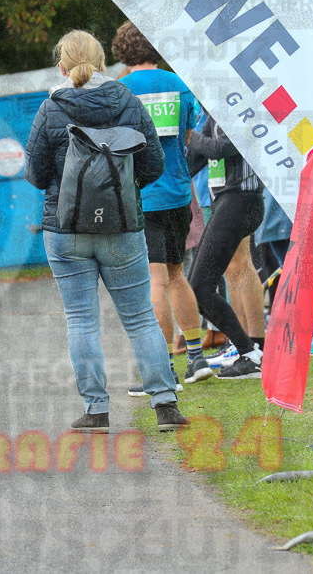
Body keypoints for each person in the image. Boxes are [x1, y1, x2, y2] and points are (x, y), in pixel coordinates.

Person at [24, 29, 187, 433]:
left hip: (64, 230)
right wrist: (122, 192)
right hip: (123, 228)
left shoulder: (51, 108)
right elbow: (153, 165)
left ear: (61, 66)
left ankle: (96, 410)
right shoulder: (127, 101)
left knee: (81, 320)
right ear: (102, 64)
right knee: (140, 318)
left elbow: (34, 172)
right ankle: (165, 404)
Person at [111, 22, 208, 390]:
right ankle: (196, 356)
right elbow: (188, 135)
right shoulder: (179, 84)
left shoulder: (120, 91)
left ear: (122, 50)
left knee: (154, 279)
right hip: (179, 192)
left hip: (143, 194)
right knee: (176, 274)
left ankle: (164, 366)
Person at [186, 112, 266, 378]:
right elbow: (196, 159)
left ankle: (251, 351)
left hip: (240, 200)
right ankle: (249, 348)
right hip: (227, 201)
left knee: (200, 286)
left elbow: (219, 148)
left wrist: (187, 134)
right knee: (204, 284)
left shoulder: (241, 108)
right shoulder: (213, 110)